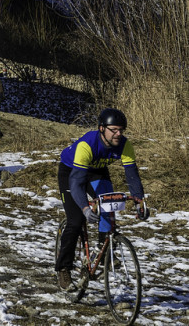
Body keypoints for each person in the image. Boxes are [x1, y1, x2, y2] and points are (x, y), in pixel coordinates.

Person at [55, 108, 150, 290]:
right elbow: (77, 183)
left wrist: (140, 201)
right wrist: (84, 207)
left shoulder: (124, 144)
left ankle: (102, 250)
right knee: (76, 220)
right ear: (101, 129)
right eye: (113, 130)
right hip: (71, 173)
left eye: (121, 130)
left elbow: (132, 175)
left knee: (108, 205)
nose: (118, 134)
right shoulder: (87, 145)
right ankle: (63, 269)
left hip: (97, 171)